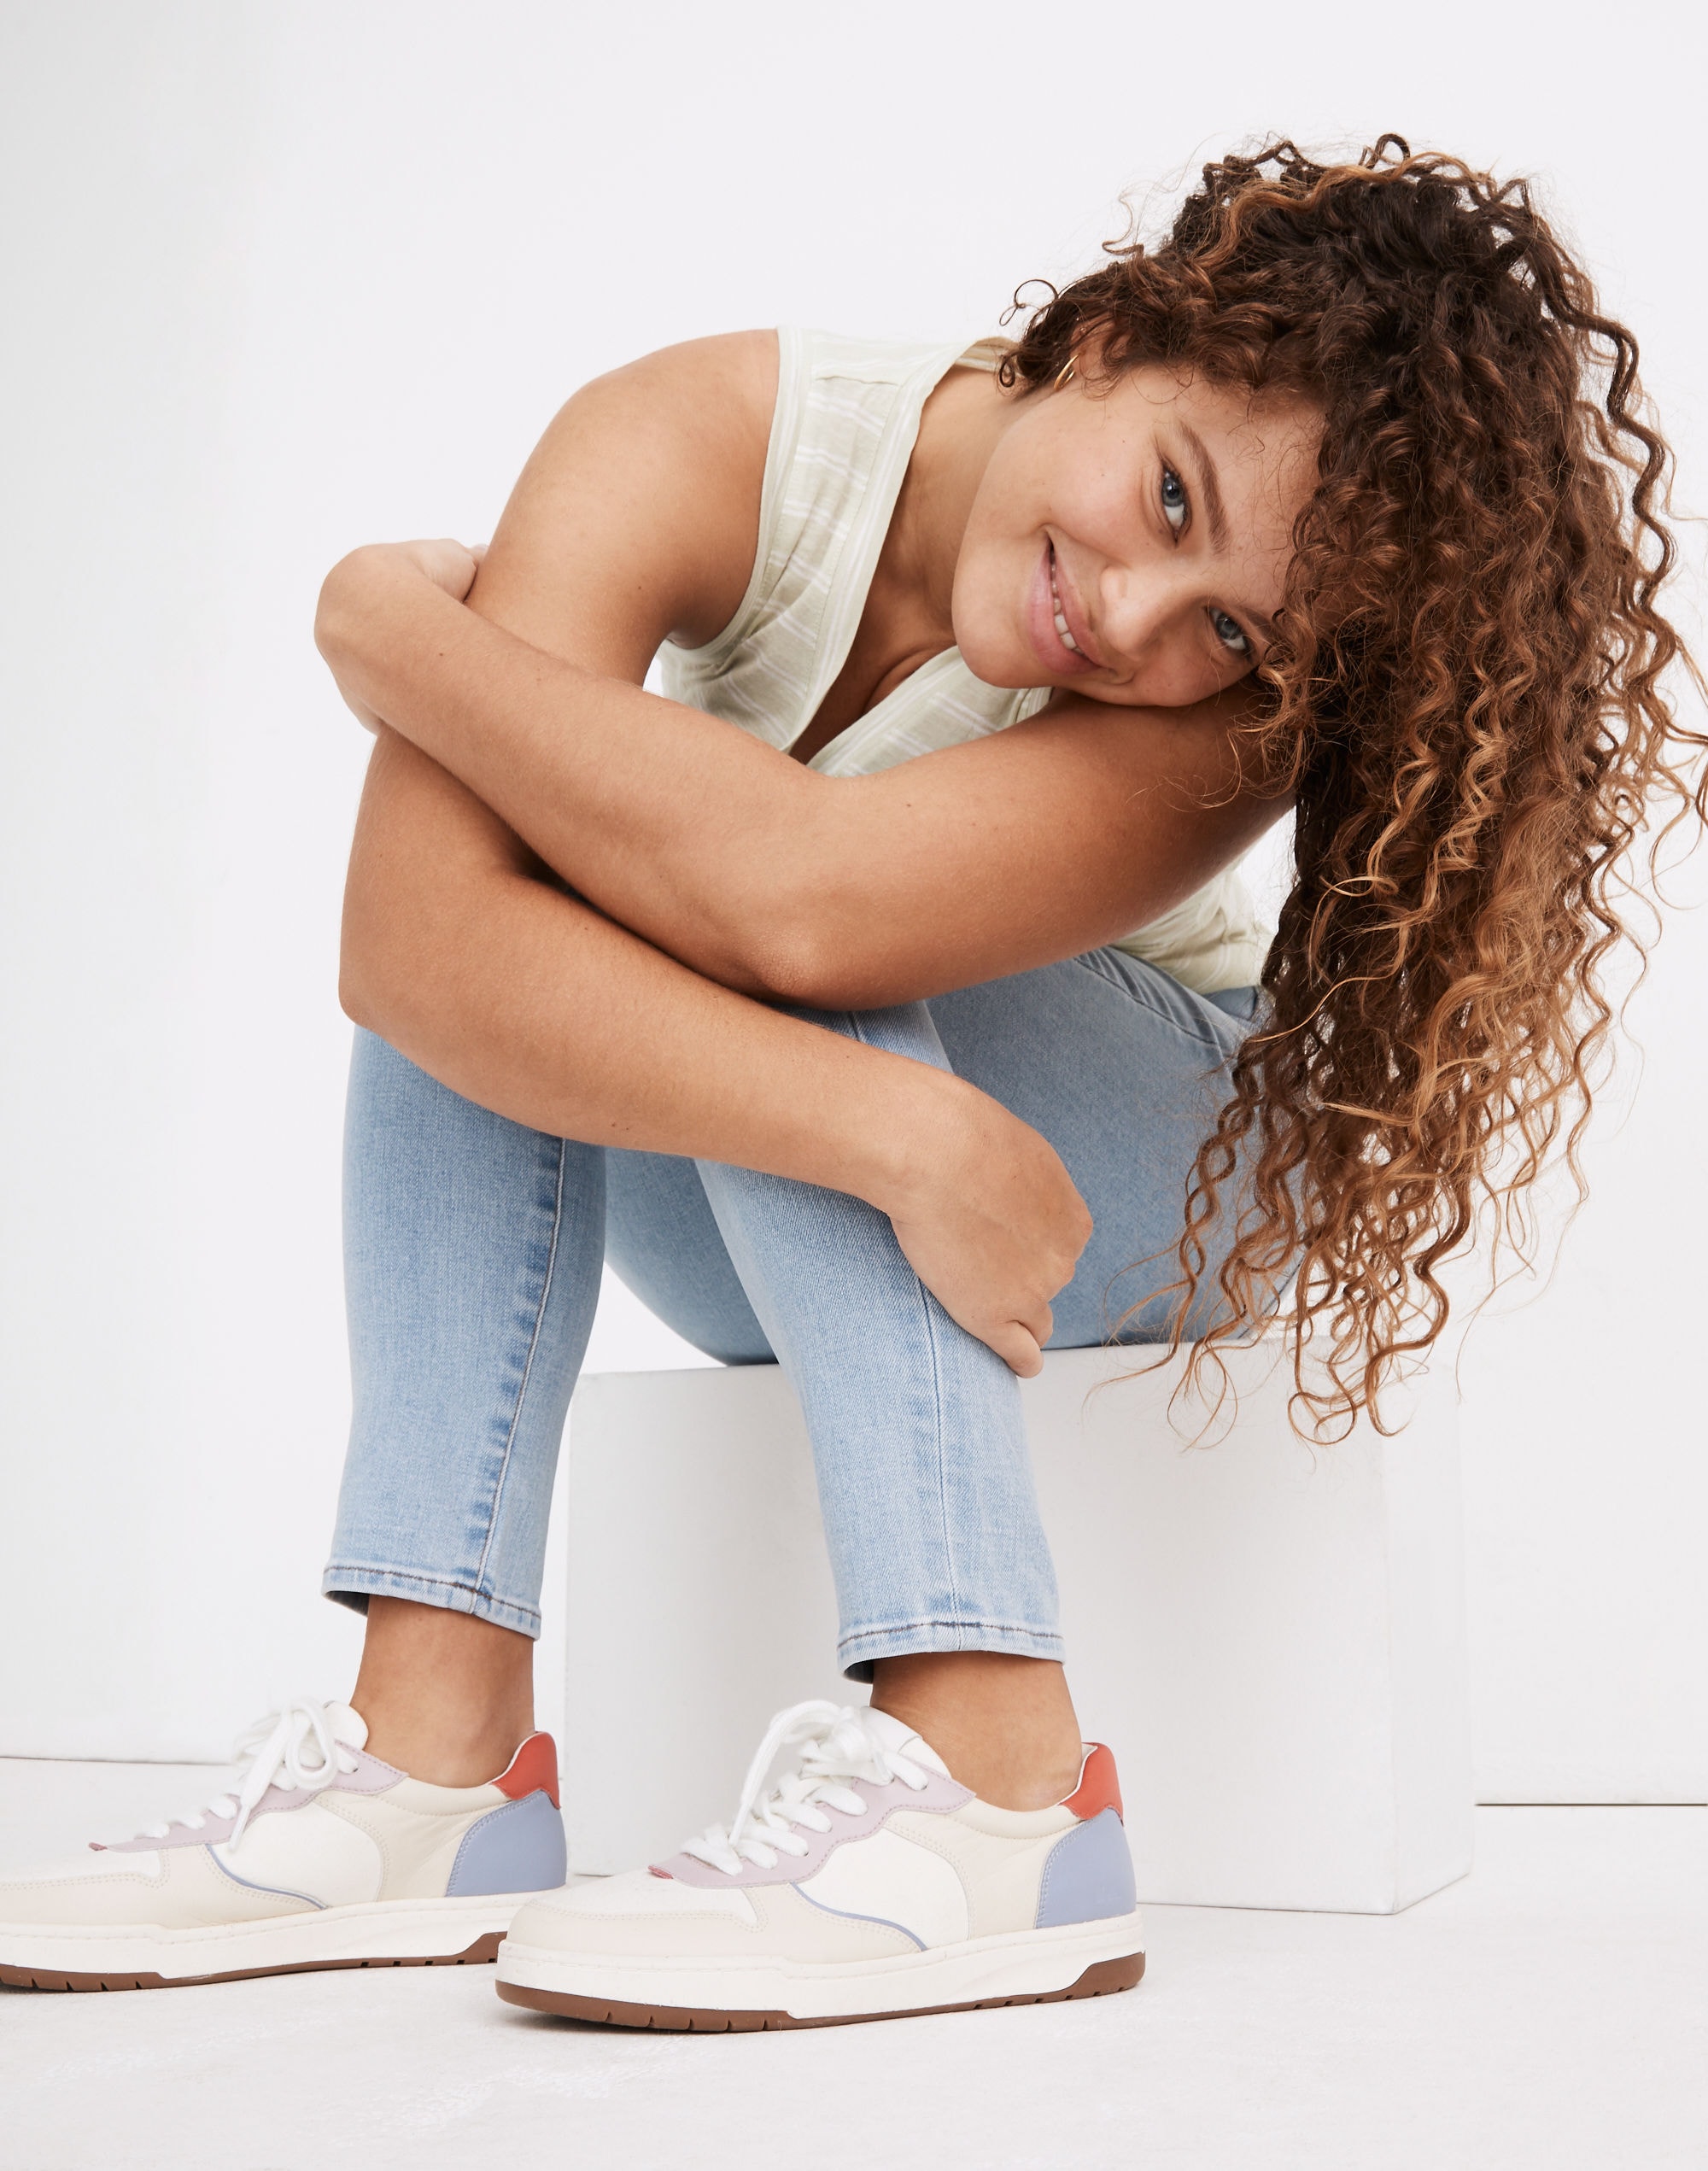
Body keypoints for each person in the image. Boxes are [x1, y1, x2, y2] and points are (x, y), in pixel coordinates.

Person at [3, 138, 1697, 2028]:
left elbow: (808, 908)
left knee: (719, 871)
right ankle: (430, 1762)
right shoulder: (701, 439)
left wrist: (396, 636)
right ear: (1117, 333)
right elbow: (409, 949)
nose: (1139, 618)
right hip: (884, 1172)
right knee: (521, 856)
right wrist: (899, 1134)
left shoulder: (1219, 718)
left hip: (1146, 1164)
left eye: (1231, 626)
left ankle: (995, 1780)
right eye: (1167, 495)